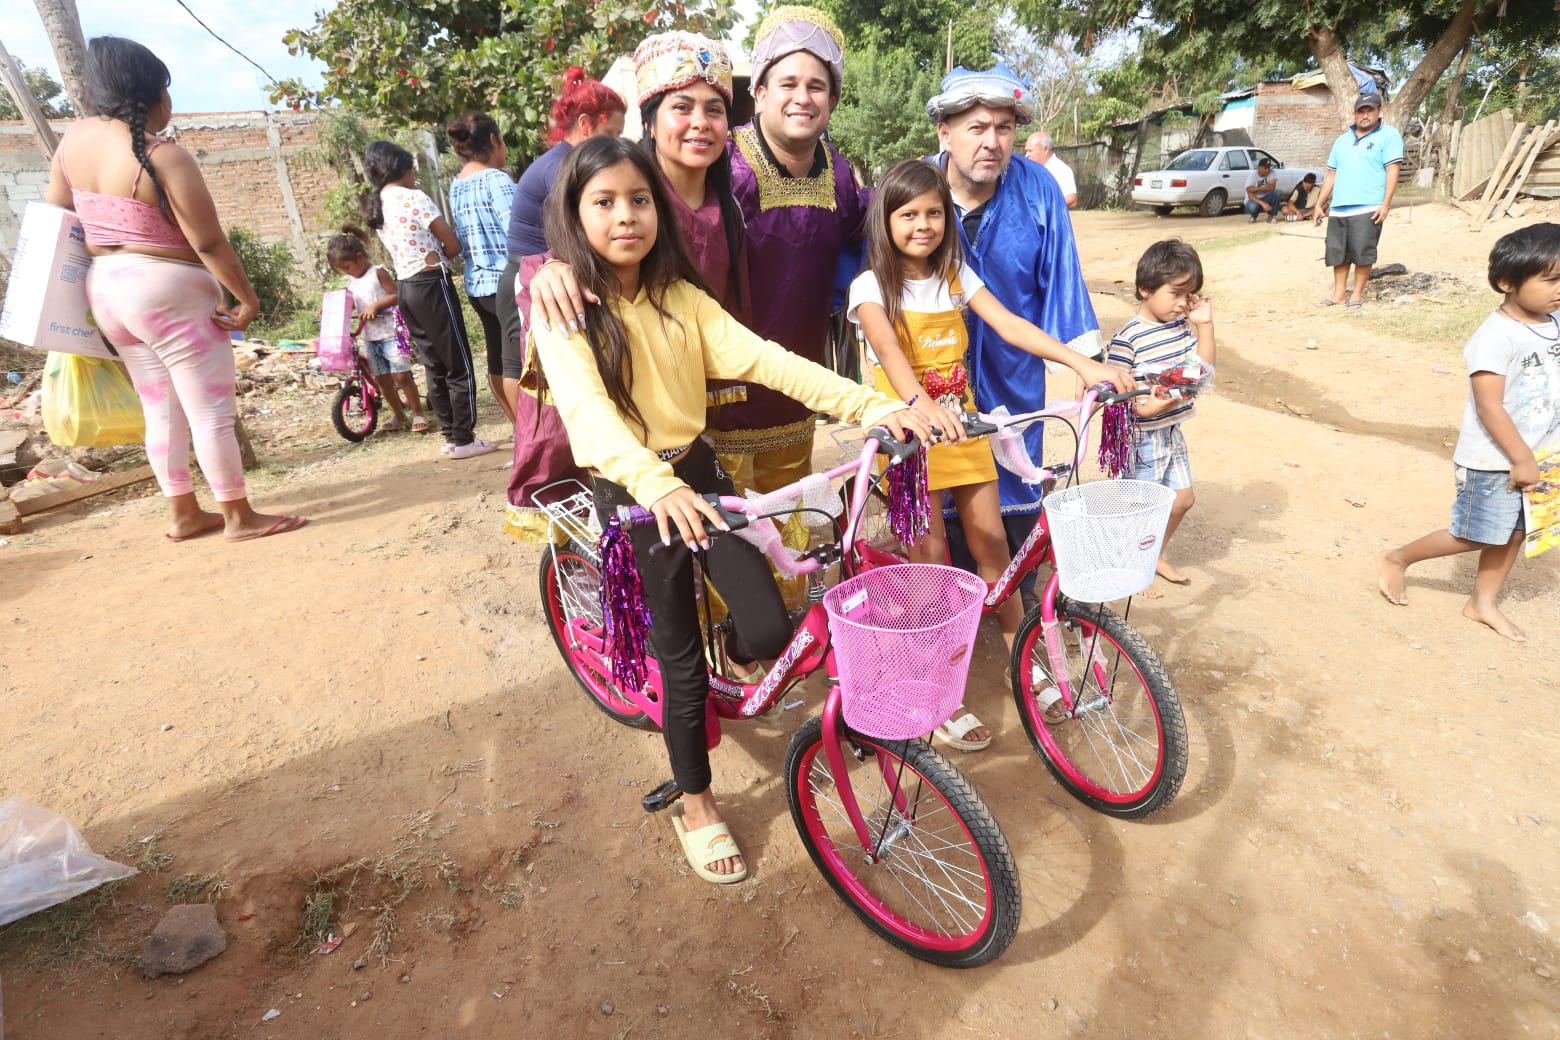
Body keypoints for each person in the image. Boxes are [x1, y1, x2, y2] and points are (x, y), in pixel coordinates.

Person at [529, 136, 935, 882]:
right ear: (574, 215)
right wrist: (656, 488)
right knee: (681, 664)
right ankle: (697, 805)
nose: (627, 217)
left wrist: (880, 406)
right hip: (634, 494)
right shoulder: (562, 312)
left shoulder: (681, 298)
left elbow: (768, 360)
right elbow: (589, 417)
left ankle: (729, 672)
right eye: (605, 203)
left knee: (770, 625)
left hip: (700, 470)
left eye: (641, 200)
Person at [848, 160, 1130, 750]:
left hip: (966, 432)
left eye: (932, 213)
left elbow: (1009, 324)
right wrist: (922, 406)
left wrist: (1081, 363)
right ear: (886, 220)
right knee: (929, 566)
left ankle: (1024, 664)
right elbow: (890, 359)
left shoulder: (954, 273)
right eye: (908, 215)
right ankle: (937, 692)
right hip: (909, 443)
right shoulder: (870, 287)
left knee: (993, 545)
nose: (922, 225)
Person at [44, 36, 305, 543]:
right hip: (168, 290)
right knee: (209, 409)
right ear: (149, 94)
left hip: (107, 293)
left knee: (158, 408)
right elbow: (207, 241)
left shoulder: (72, 142)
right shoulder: (164, 155)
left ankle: (184, 514)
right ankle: (238, 516)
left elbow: (59, 213)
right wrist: (247, 298)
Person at [925, 63, 1106, 605]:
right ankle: (947, 610)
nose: (992, 142)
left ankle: (1012, 602)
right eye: (976, 128)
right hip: (933, 376)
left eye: (1003, 128)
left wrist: (1084, 362)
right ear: (946, 133)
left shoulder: (1038, 188)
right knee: (939, 503)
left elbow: (1063, 278)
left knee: (1016, 481)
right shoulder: (914, 188)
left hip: (1014, 369)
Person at [1376, 223, 1560, 643]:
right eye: (1550, 279)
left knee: (1517, 530)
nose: (1558, 289)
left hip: (1542, 453)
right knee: (1475, 533)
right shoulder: (1495, 336)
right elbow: (1489, 404)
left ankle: (1483, 602)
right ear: (1507, 282)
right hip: (1495, 459)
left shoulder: (1553, 321)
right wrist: (1521, 458)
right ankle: (1397, 557)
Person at [498, 67, 625, 541]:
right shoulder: (565, 168)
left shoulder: (563, 161)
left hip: (550, 272)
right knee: (553, 394)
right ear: (588, 125)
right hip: (539, 278)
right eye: (613, 133)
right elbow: (574, 242)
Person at [362, 141, 494, 459]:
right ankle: (464, 438)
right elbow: (451, 243)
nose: (414, 178)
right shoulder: (413, 198)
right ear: (402, 169)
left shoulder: (377, 203)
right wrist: (445, 254)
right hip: (432, 282)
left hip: (406, 288)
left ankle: (451, 434)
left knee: (434, 365)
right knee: (458, 362)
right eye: (411, 171)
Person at [1107, 240, 1216, 592]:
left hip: (1171, 432)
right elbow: (1126, 401)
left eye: (1191, 294)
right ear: (1145, 289)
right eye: (1177, 293)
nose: (1185, 303)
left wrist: (1204, 325)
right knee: (1141, 510)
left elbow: (1203, 367)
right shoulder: (1128, 339)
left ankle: (1152, 555)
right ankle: (1131, 564)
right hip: (1142, 438)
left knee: (1183, 500)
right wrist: (1165, 398)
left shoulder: (1182, 326)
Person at [447, 112, 517, 423]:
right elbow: (518, 232)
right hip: (508, 284)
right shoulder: (497, 180)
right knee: (522, 363)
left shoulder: (456, 185)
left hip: (478, 286)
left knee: (498, 361)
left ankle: (519, 431)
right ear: (493, 140)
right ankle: (532, 434)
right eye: (502, 140)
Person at [326, 227, 428, 433]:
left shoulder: (378, 272)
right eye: (343, 270)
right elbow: (350, 303)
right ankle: (399, 415)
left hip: (392, 332)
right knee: (382, 380)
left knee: (401, 376)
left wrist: (376, 306)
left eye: (347, 267)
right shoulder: (351, 281)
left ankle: (418, 413)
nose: (346, 272)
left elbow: (398, 295)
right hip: (370, 337)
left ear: (359, 257)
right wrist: (329, 309)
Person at [1311, 91, 1403, 310]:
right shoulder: (1341, 141)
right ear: (1354, 114)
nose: (1364, 115)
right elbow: (1331, 175)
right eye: (1360, 111)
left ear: (1379, 112)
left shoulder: (1389, 136)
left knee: (1363, 253)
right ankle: (1339, 294)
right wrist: (1319, 203)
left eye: (1369, 110)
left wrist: (1386, 203)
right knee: (1338, 254)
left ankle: (1357, 294)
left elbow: (1392, 170)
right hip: (1339, 207)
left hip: (1369, 206)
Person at [1023, 130, 1078, 209]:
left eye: (1030, 151)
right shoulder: (1030, 170)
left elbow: (1072, 200)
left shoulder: (1062, 170)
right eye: (1026, 151)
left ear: (1046, 150)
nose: (1026, 155)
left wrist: (1041, 208)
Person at [1244, 157, 1280, 223]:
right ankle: (1253, 215)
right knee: (1253, 207)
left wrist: (1256, 189)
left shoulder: (1272, 172)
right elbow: (1249, 193)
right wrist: (1263, 203)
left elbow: (1272, 188)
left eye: (1269, 167)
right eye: (1265, 168)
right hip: (1253, 200)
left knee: (1277, 193)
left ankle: (1272, 216)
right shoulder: (1252, 176)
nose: (1267, 170)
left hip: (1266, 197)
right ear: (1259, 167)